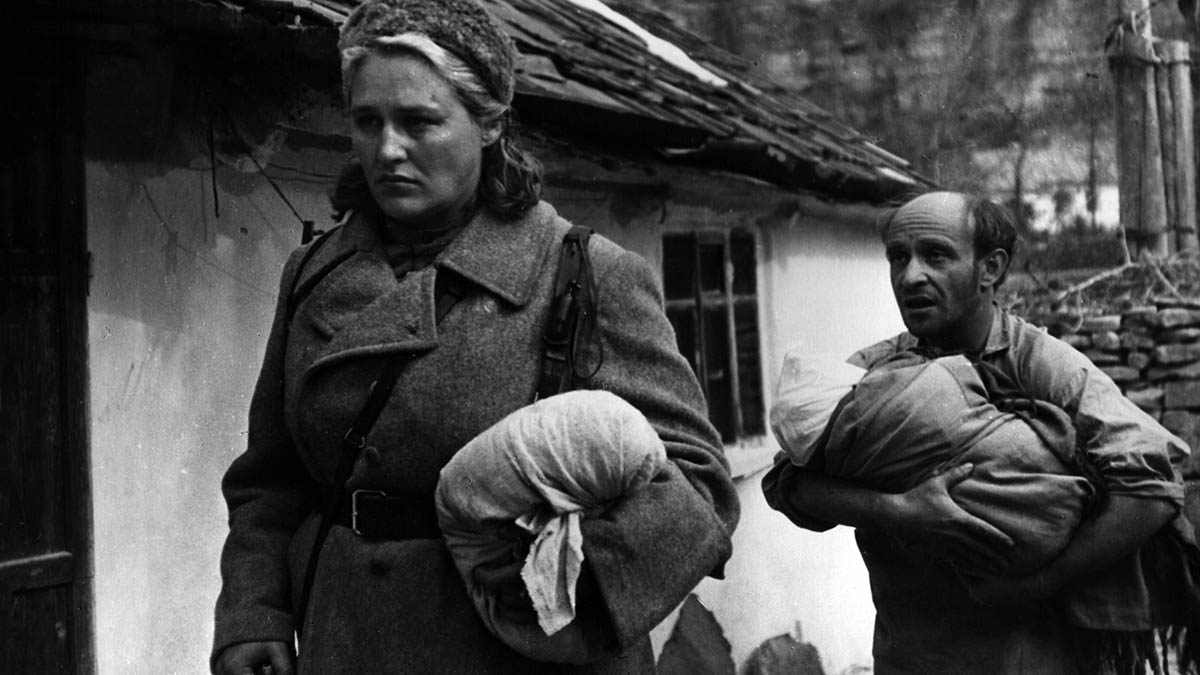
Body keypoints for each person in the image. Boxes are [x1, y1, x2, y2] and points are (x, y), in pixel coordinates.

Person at [210, 1, 739, 672]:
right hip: (346, 638)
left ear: (489, 122)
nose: (387, 149)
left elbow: (699, 486)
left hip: (513, 652)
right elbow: (272, 477)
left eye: (419, 122)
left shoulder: (585, 275)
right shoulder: (313, 273)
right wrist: (253, 614)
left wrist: (564, 595)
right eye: (367, 121)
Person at [763, 191, 1193, 674]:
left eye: (936, 255)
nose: (910, 276)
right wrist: (901, 511)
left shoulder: (1043, 366)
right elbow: (787, 485)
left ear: (990, 268)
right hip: (910, 660)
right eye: (898, 257)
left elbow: (1154, 489)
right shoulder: (873, 374)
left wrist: (1041, 581)